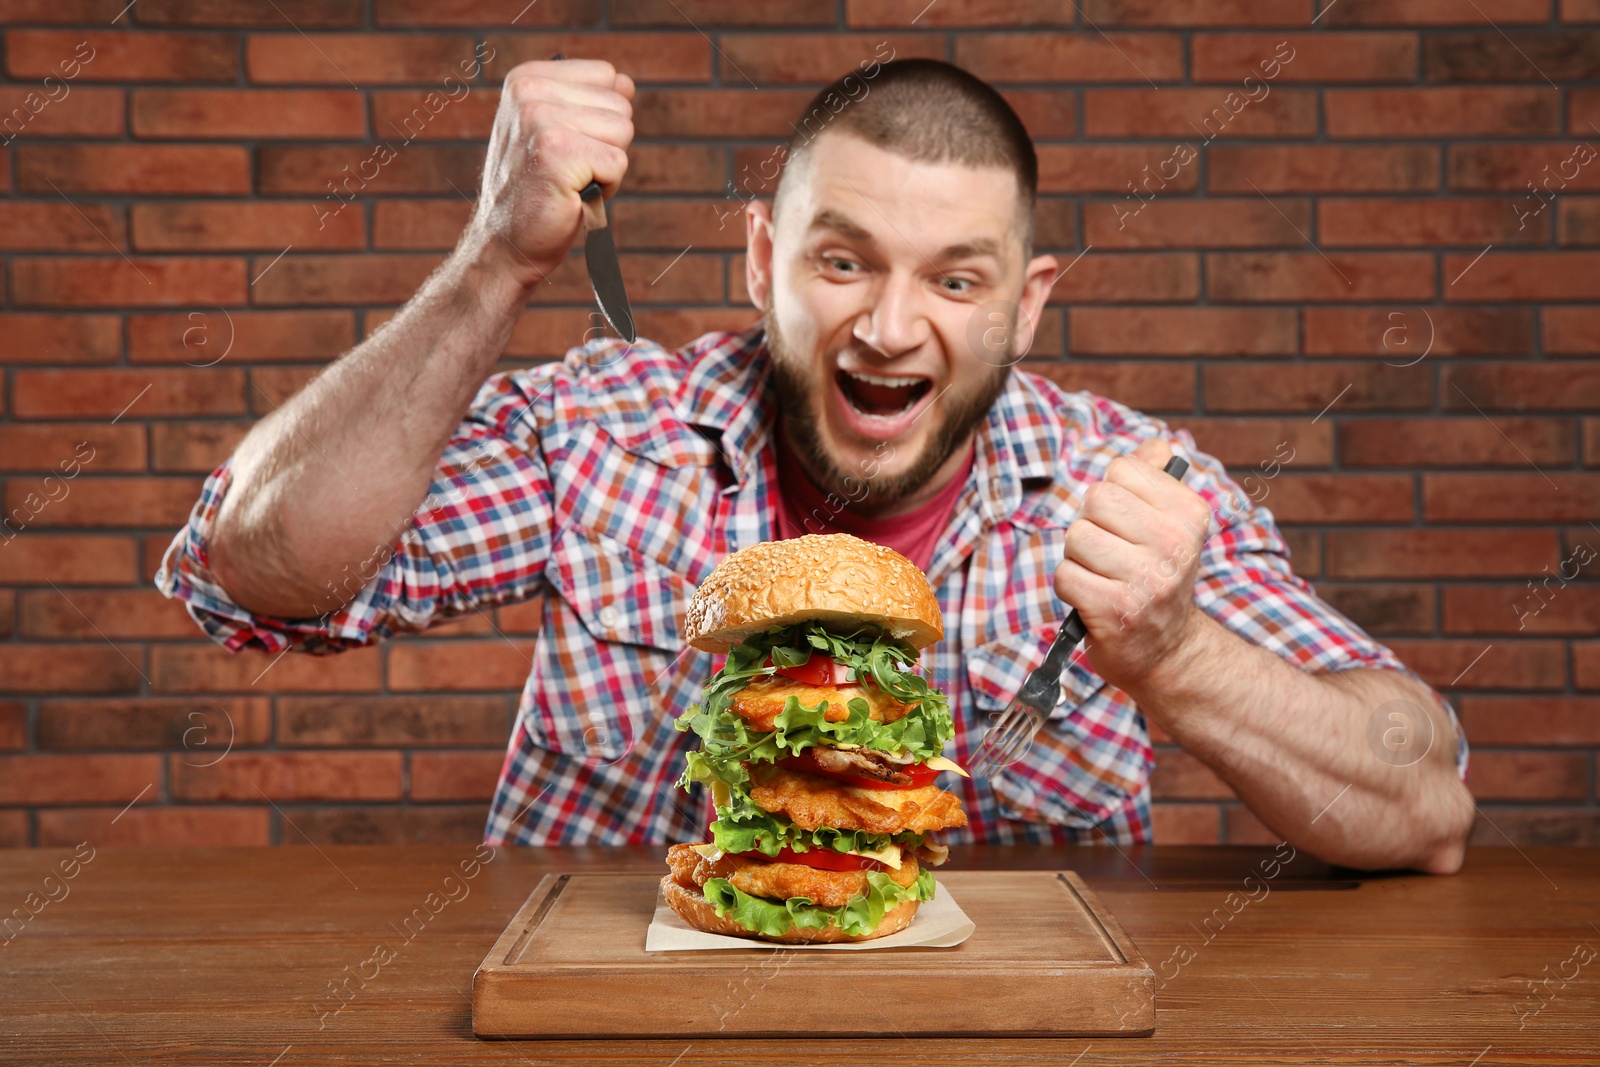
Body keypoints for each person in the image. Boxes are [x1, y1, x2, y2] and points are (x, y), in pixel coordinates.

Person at [156, 57, 1474, 872]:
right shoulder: (611, 432)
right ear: (757, 262)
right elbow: (259, 577)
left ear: (1026, 304)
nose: (891, 330)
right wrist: (498, 258)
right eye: (841, 261)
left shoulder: (1129, 484)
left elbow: (1422, 805)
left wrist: (1182, 656)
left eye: (956, 279)